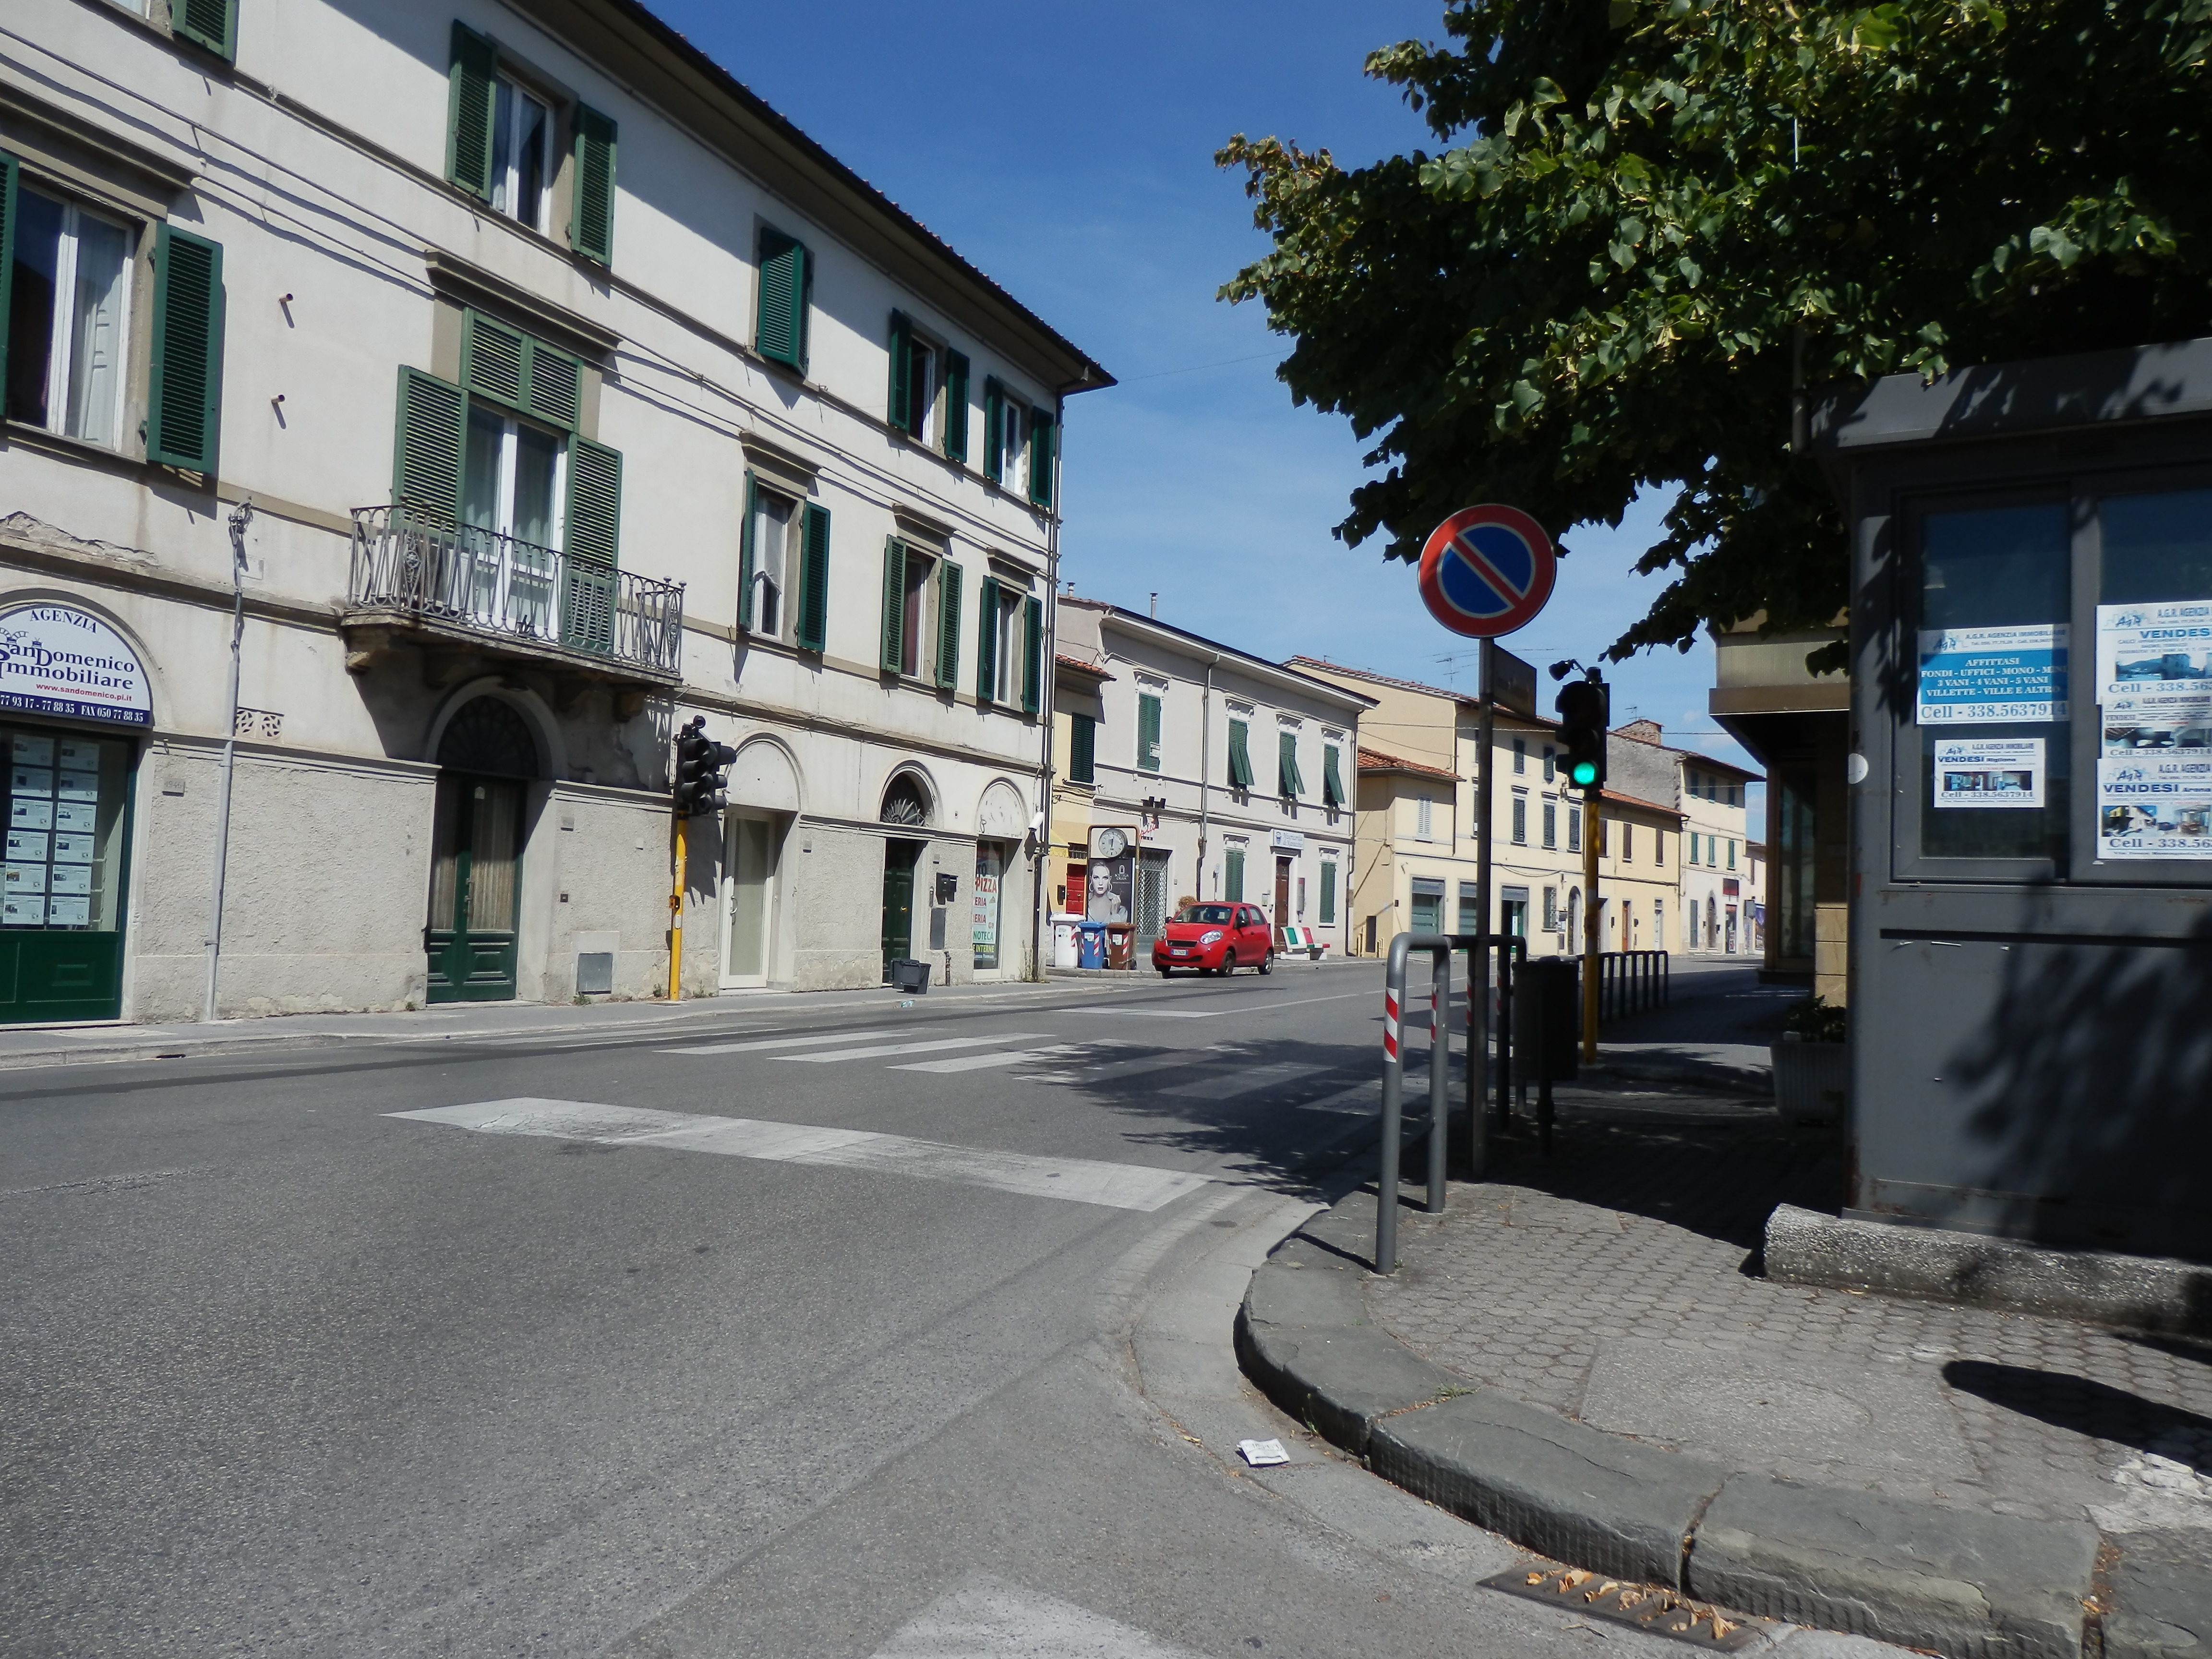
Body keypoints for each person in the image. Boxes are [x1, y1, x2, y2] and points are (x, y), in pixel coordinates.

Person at [1085, 859, 1128, 923]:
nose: (1101, 883)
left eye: (1105, 878)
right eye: (1096, 878)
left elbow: (1119, 929)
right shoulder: (1084, 902)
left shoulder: (1121, 909)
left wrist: (1115, 914)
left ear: (1110, 880)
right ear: (1091, 879)